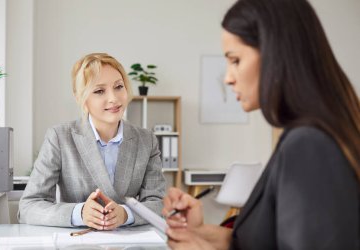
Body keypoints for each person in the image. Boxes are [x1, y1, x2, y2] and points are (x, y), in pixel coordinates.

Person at [162, 0, 360, 249]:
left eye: (235, 60)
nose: (227, 78)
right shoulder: (302, 136)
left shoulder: (309, 144)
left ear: (275, 55)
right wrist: (202, 233)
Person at [19, 52, 166, 230]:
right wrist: (80, 213)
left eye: (119, 86)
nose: (113, 98)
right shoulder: (60, 137)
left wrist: (125, 214)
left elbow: (158, 204)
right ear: (81, 98)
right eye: (99, 91)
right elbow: (28, 207)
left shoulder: (146, 140)